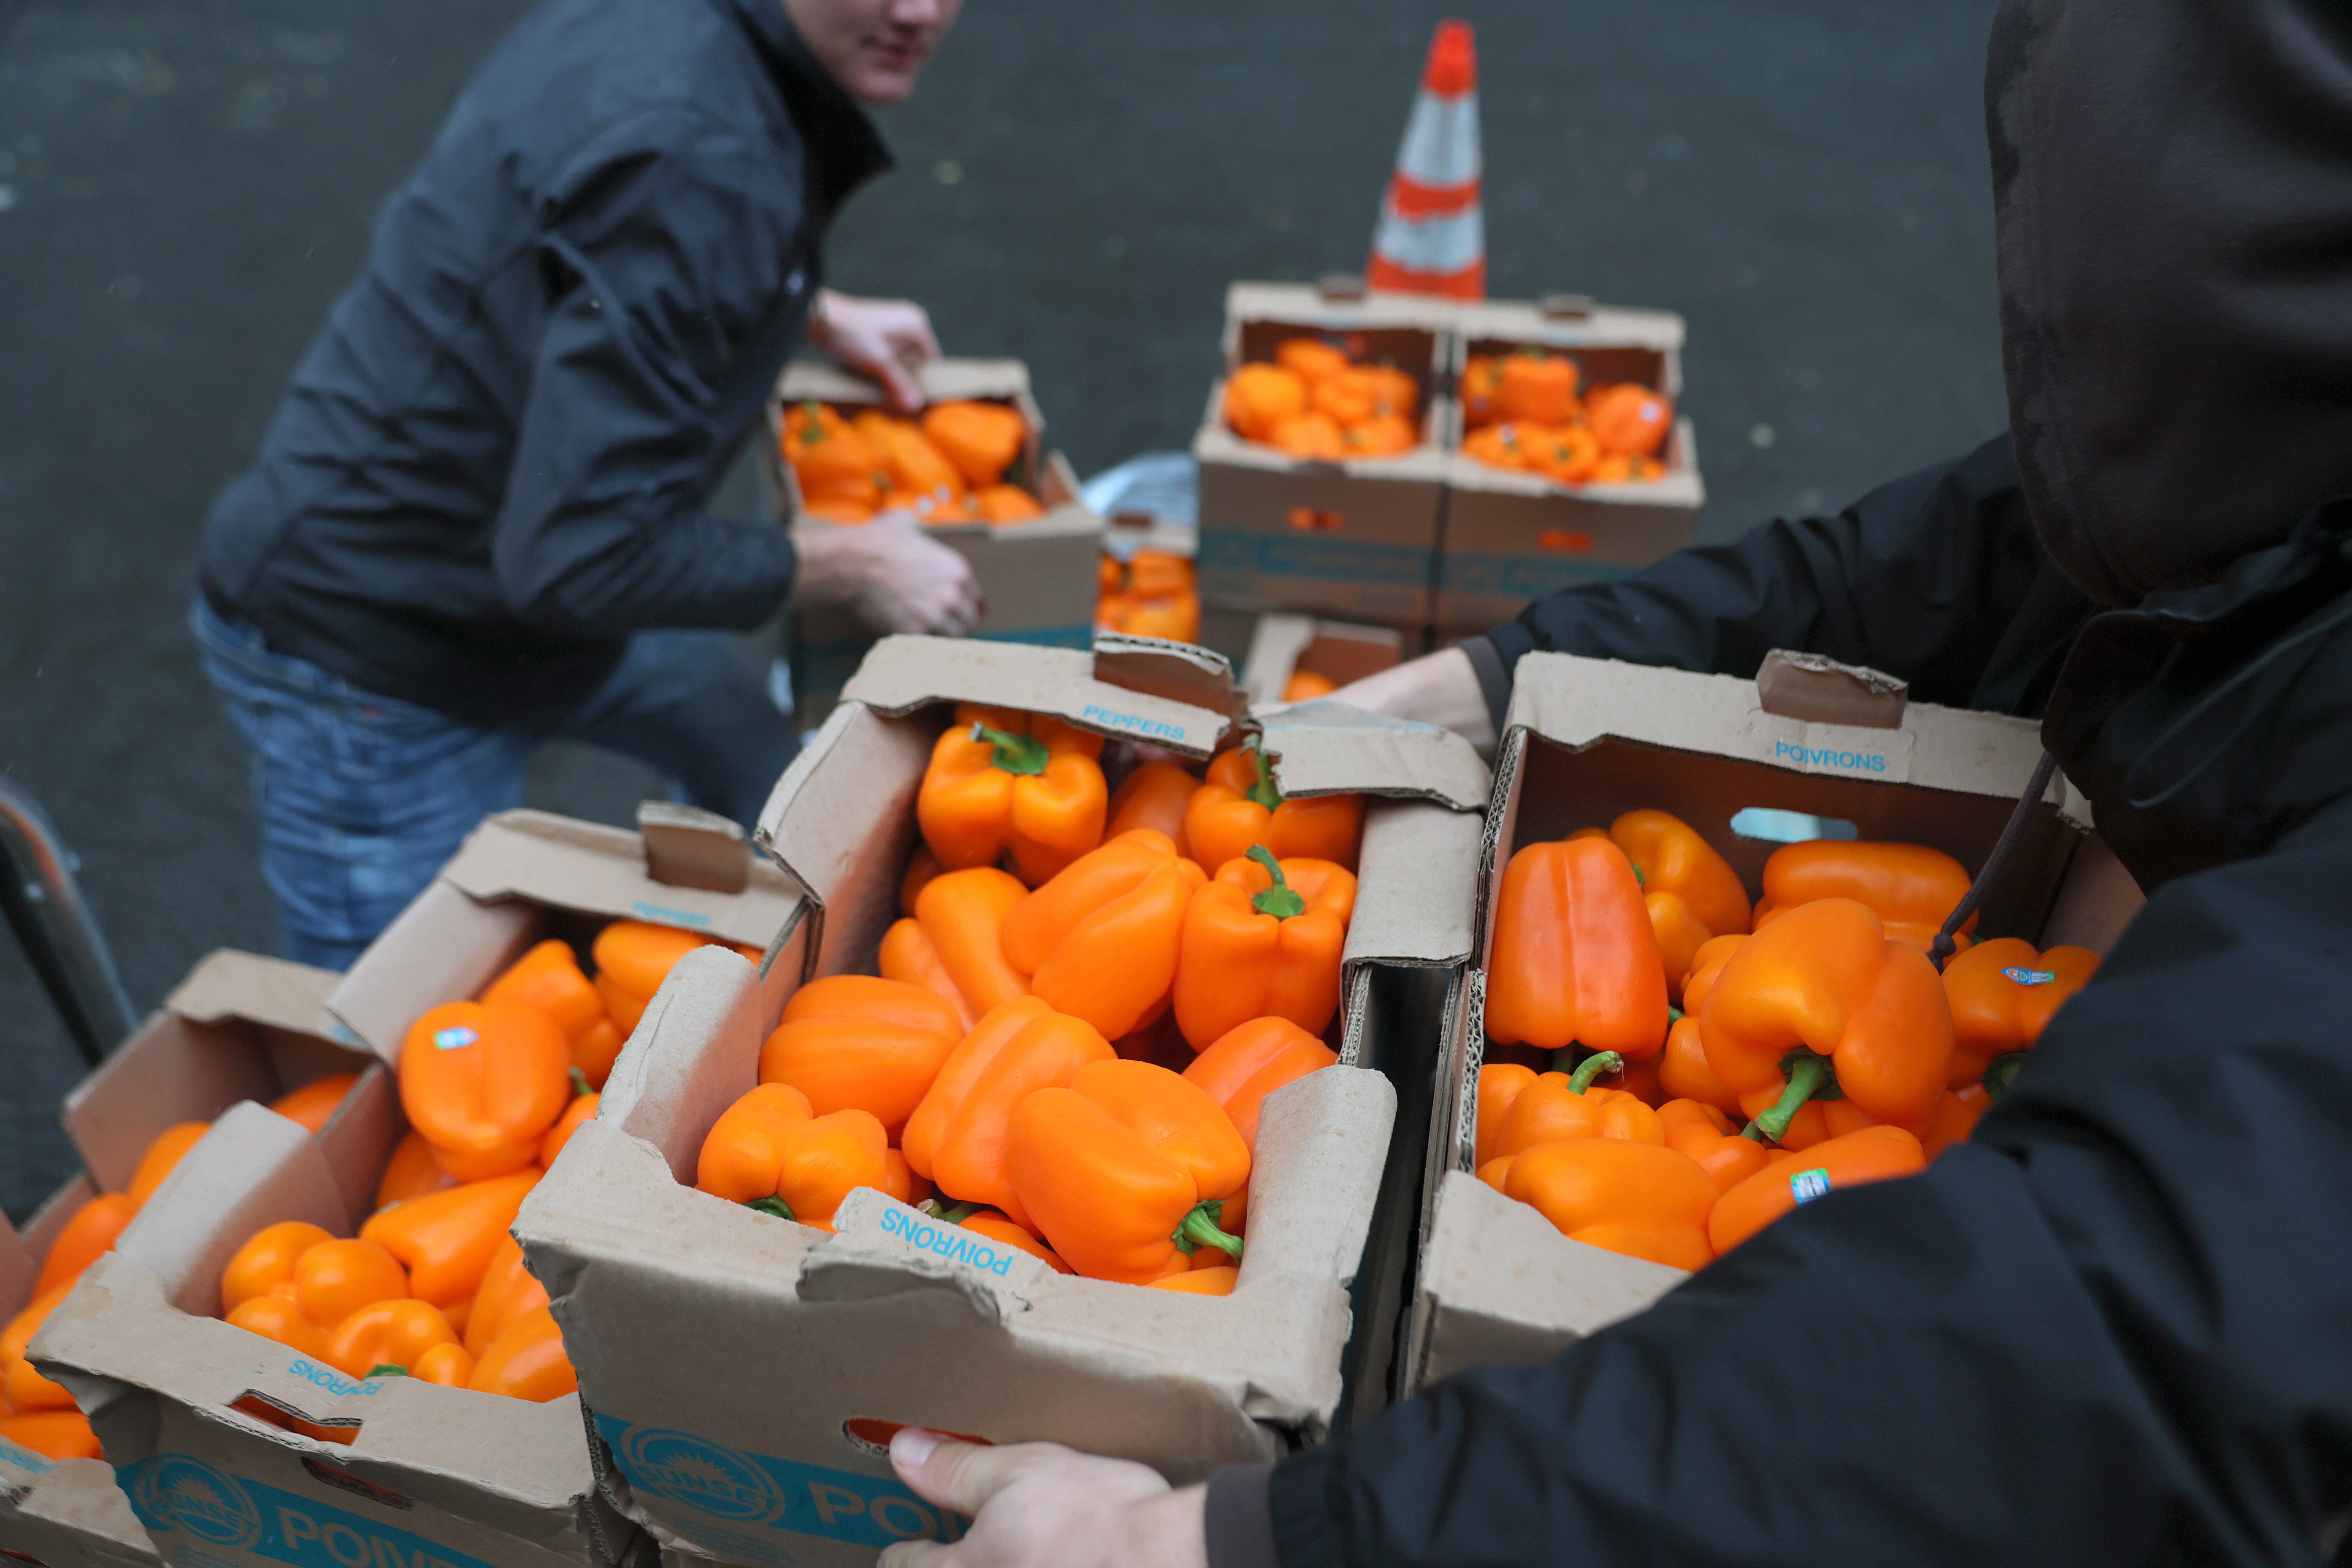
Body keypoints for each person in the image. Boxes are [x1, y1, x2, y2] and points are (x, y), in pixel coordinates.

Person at [870, 0, 2352, 1563]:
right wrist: (1497, 677)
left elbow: (2131, 1330)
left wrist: (1220, 1550)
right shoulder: (2253, 466)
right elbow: (1960, 556)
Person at [193, 0, 978, 968]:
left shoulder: (682, 55)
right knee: (401, 1061)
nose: (920, 11)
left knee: (767, 771)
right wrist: (855, 560)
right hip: (378, 651)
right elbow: (582, 559)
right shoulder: (698, 151)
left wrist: (799, 304)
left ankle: (762, 975)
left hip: (525, 573)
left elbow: (584, 232)